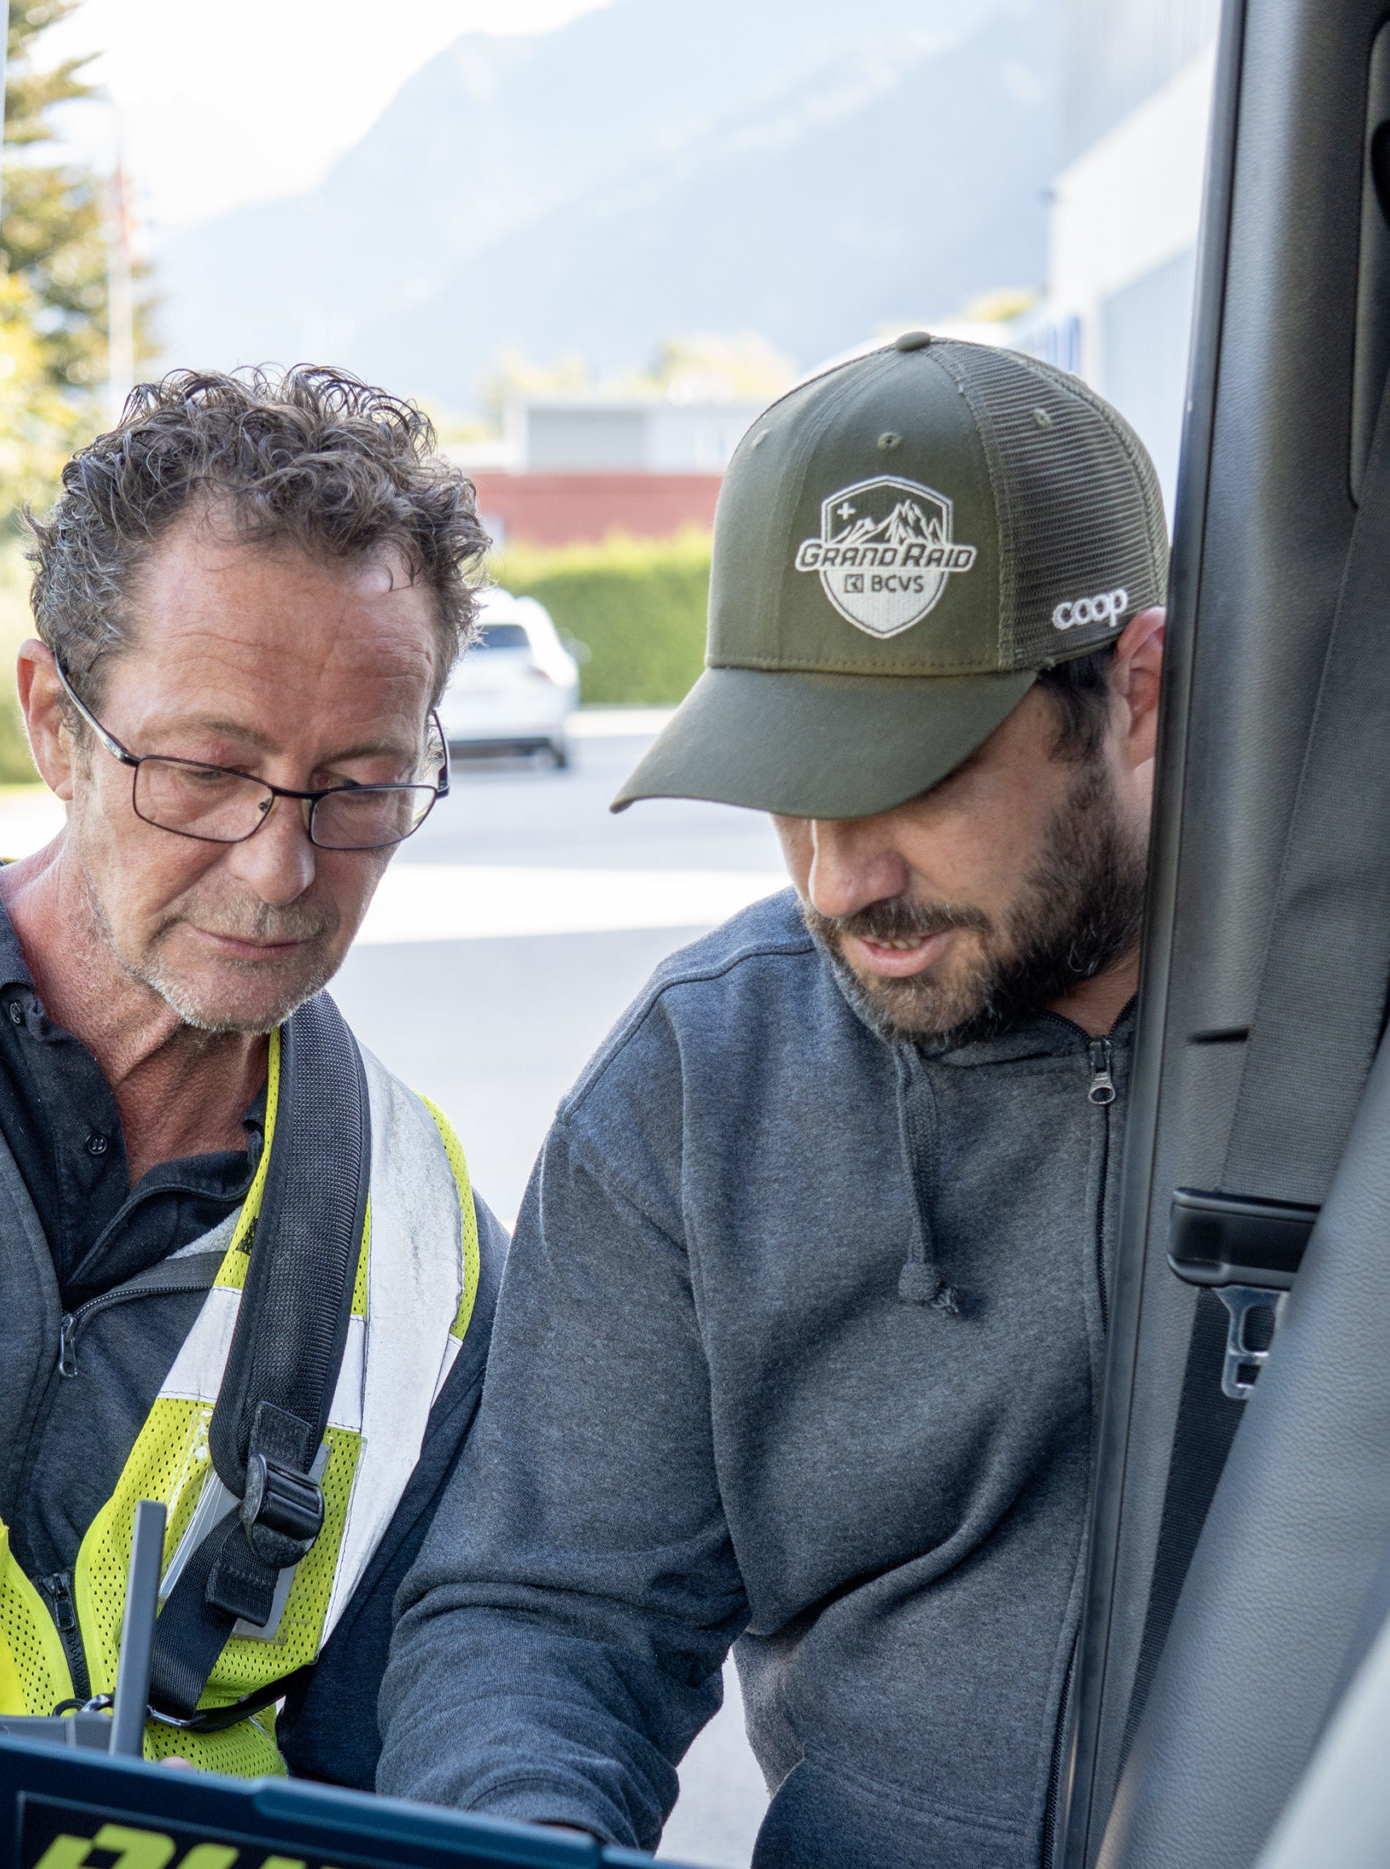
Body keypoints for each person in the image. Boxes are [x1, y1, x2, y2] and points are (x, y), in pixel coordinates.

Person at [376, 334, 1168, 1868]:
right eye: (794, 786)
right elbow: (545, 1612)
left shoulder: (1345, 1033)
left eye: (918, 774)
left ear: (1135, 689)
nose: (839, 878)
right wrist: (525, 1822)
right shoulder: (701, 1084)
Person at [0, 367, 502, 1784]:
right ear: (53, 723)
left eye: (358, 784)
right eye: (203, 768)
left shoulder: (431, 1255)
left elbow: (406, 1778)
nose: (280, 866)